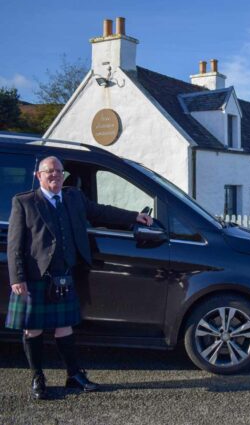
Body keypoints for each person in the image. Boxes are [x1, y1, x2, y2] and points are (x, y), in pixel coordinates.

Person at [5, 156, 153, 399]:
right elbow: (15, 245)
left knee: (65, 327)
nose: (54, 175)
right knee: (33, 330)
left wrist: (133, 216)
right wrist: (17, 277)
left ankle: (73, 375)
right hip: (35, 276)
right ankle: (37, 377)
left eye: (58, 171)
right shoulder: (25, 203)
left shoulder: (73, 197)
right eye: (49, 171)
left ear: (63, 175)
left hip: (65, 274)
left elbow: (101, 211)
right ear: (38, 176)